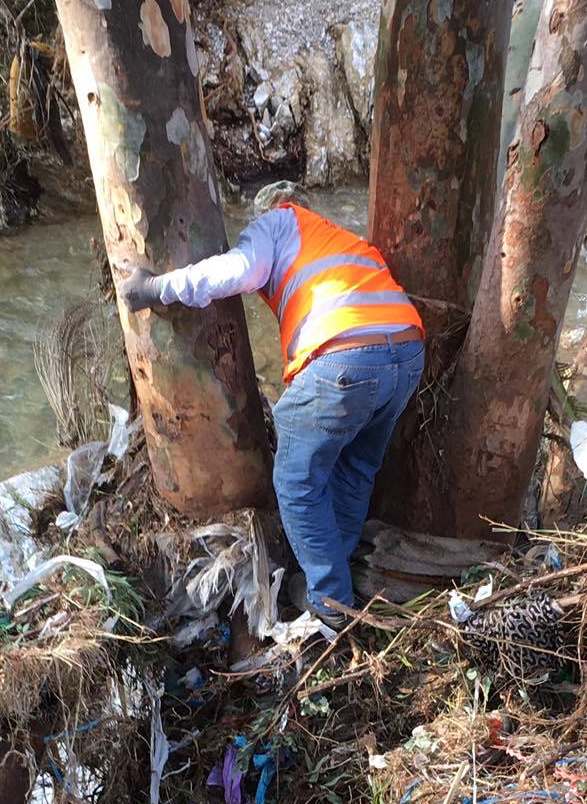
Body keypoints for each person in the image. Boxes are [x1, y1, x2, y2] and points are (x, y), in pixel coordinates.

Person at [119, 181, 425, 628]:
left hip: (346, 357)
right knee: (355, 469)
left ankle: (330, 603)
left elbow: (235, 271)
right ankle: (340, 571)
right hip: (406, 353)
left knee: (297, 482)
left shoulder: (279, 222)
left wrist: (155, 289)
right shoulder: (340, 237)